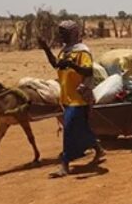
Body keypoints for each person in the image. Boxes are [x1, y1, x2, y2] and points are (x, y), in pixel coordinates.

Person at [38, 20, 104, 178]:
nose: (62, 36)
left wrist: (72, 65)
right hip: (66, 98)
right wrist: (46, 48)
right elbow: (56, 64)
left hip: (79, 99)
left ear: (73, 34)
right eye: (61, 33)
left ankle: (64, 164)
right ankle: (97, 146)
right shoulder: (65, 51)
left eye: (64, 33)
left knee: (68, 129)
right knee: (80, 129)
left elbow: (88, 71)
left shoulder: (82, 52)